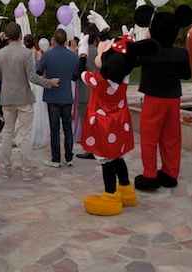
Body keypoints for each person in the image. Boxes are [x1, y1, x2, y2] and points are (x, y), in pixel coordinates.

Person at [81, 35, 157, 216]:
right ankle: (126, 190)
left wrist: (83, 53)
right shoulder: (124, 76)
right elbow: (123, 53)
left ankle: (110, 196)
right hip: (119, 122)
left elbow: (80, 73)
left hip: (104, 124)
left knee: (106, 160)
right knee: (117, 156)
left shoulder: (99, 81)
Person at [133, 4, 192, 191]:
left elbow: (133, 57)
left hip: (153, 98)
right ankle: (170, 173)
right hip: (173, 98)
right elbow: (186, 75)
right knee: (172, 137)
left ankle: (150, 175)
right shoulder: (181, 53)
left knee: (149, 138)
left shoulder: (148, 50)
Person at [0, 22, 59, 181]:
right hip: (23, 98)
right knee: (24, 135)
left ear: (7, 37)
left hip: (7, 98)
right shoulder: (26, 53)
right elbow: (32, 77)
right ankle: (27, 171)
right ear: (20, 35)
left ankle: (4, 170)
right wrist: (49, 82)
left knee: (7, 133)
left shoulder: (0, 54)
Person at [37, 29, 79, 167]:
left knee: (54, 128)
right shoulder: (73, 56)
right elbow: (75, 76)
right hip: (66, 96)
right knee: (67, 128)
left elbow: (38, 71)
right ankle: (69, 157)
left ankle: (56, 159)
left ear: (54, 40)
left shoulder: (48, 55)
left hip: (52, 96)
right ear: (66, 40)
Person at [76, 24, 101, 160]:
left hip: (85, 91)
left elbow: (77, 71)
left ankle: (90, 149)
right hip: (97, 91)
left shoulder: (82, 52)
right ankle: (98, 146)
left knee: (85, 121)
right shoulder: (99, 51)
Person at [26, 35, 50, 150]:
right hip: (37, 83)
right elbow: (41, 71)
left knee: (32, 109)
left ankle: (31, 135)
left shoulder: (25, 53)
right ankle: (38, 135)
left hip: (29, 83)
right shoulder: (37, 53)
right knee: (39, 108)